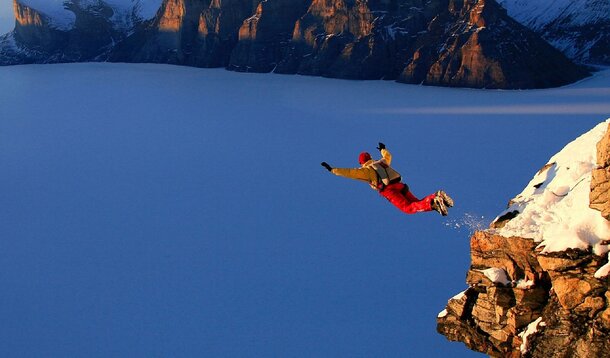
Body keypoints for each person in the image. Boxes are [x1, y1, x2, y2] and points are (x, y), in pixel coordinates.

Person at [321, 142, 453, 216]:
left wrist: (333, 170)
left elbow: (350, 172)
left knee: (408, 209)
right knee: (416, 202)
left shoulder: (366, 171)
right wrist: (383, 149)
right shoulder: (380, 162)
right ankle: (435, 197)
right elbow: (388, 156)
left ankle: (434, 202)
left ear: (361, 162)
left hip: (389, 190)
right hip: (400, 186)